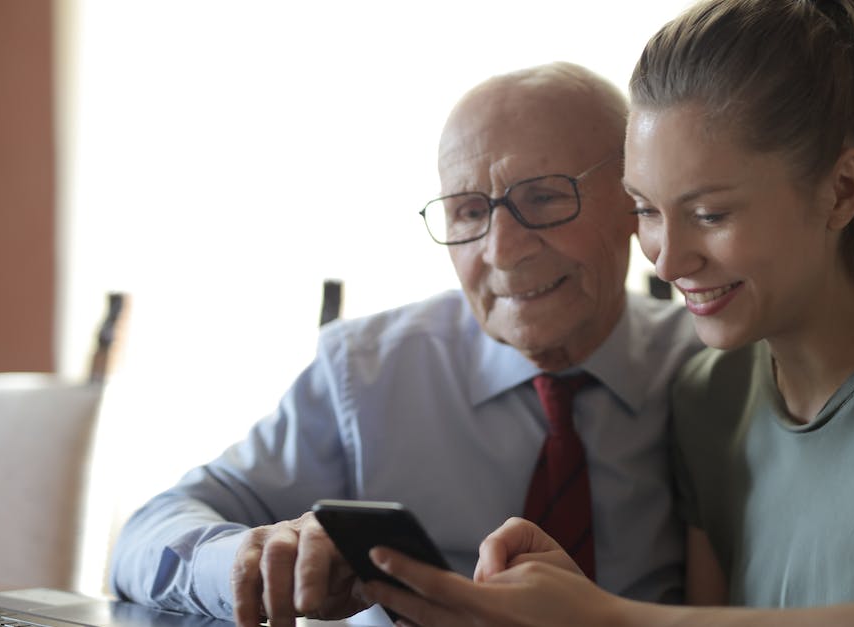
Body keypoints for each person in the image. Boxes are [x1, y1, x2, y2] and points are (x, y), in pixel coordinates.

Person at [358, 1, 854, 625]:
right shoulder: (708, 395)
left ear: (841, 190)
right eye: (646, 210)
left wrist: (612, 619)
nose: (664, 260)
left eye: (709, 213)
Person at [108, 61, 703, 625]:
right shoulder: (367, 374)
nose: (501, 250)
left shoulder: (711, 371)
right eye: (469, 212)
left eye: (543, 198)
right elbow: (146, 535)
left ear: (636, 202)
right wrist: (251, 557)